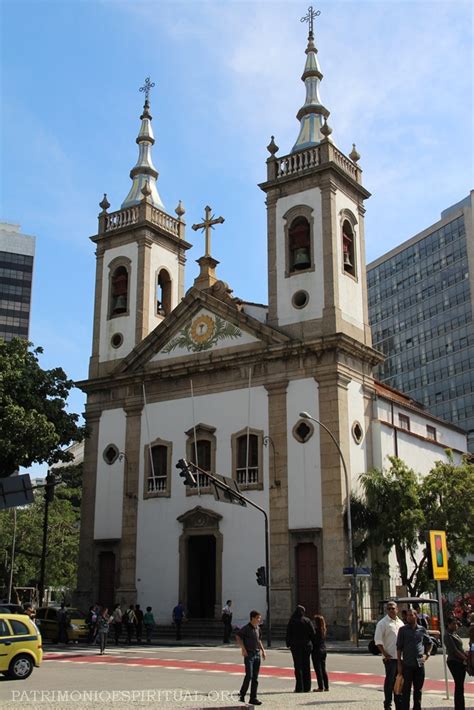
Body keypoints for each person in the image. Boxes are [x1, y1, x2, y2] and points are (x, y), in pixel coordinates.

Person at [397, 607, 433, 710]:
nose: (409, 617)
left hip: (419, 664)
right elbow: (399, 648)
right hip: (407, 664)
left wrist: (427, 654)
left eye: (411, 615)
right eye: (407, 615)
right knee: (406, 690)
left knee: (418, 690)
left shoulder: (421, 629)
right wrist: (399, 664)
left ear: (416, 616)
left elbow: (429, 643)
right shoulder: (403, 630)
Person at [374, 601, 405, 710]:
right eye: (389, 608)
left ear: (397, 609)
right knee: (390, 682)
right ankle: (388, 704)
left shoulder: (400, 623)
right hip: (390, 658)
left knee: (399, 681)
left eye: (393, 608)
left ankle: (399, 704)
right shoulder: (382, 623)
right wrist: (385, 654)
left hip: (400, 658)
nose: (391, 610)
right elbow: (378, 640)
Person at [236, 610, 265, 705]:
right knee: (249, 675)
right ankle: (242, 695)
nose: (259, 620)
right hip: (249, 655)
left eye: (259, 618)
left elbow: (259, 640)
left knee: (255, 678)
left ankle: (253, 698)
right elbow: (238, 636)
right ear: (252, 618)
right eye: (258, 618)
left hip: (257, 654)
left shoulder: (258, 628)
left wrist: (263, 651)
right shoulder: (246, 628)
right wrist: (243, 649)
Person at [286, 605, 316, 693]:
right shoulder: (307, 620)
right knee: (306, 665)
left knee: (298, 666)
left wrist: (288, 644)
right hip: (306, 645)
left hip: (295, 646)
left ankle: (299, 687)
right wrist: (312, 642)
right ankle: (307, 687)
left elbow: (288, 633)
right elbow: (312, 633)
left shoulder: (292, 620)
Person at [444, 616, 468, 710]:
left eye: (456, 623)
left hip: (460, 661)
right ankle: (459, 707)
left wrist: (466, 655)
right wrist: (465, 658)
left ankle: (461, 706)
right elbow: (454, 651)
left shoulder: (454, 634)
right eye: (453, 623)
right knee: (459, 685)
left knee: (460, 686)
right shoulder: (447, 635)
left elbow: (460, 649)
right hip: (454, 662)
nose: (456, 625)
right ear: (449, 624)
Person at [312, 614, 329, 693]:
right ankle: (326, 686)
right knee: (323, 669)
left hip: (317, 650)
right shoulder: (323, 629)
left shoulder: (316, 630)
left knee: (318, 669)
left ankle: (320, 687)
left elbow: (313, 640)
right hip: (323, 650)